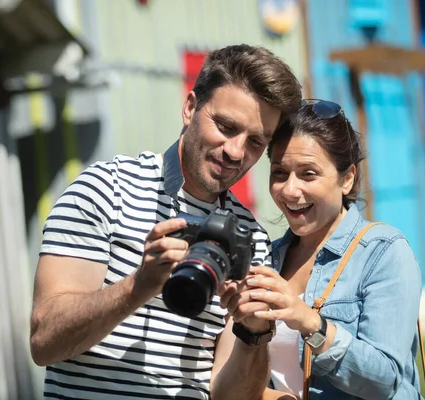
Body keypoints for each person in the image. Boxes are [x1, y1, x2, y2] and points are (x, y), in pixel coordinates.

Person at [29, 44, 303, 400]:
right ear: (190, 108)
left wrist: (253, 336)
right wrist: (138, 287)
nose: (235, 152)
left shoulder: (251, 239)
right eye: (225, 126)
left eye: (254, 142)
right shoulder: (104, 191)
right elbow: (43, 343)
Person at [239, 100, 423, 399]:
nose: (289, 190)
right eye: (279, 172)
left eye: (308, 174)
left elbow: (385, 381)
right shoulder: (266, 259)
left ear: (347, 178)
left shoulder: (383, 252)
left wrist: (311, 324)